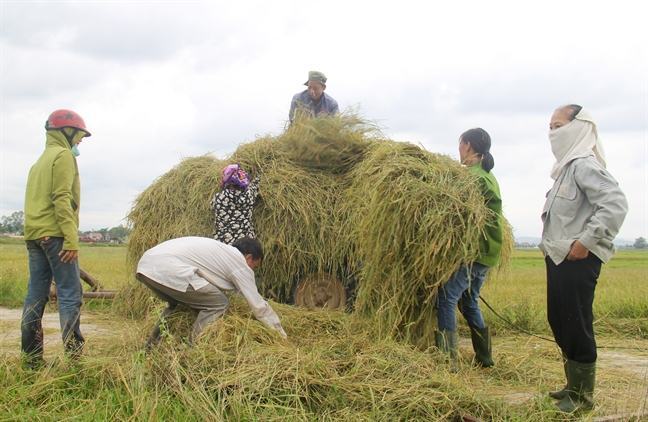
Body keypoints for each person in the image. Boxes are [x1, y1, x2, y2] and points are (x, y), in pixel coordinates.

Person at [541, 105, 627, 413]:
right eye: (550, 127)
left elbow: (615, 204)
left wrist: (585, 242)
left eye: (558, 125)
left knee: (576, 324)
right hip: (560, 256)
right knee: (560, 321)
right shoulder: (566, 169)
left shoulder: (584, 165)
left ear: (579, 127)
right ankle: (572, 387)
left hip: (577, 258)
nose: (552, 133)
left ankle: (582, 398)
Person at [21, 109, 92, 368]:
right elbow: (61, 197)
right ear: (66, 131)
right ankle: (74, 360)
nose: (81, 141)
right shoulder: (62, 156)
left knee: (35, 296)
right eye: (79, 135)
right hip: (57, 235)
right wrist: (71, 239)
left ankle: (31, 360)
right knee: (70, 294)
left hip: (34, 236)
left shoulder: (38, 162)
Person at [136, 236, 287, 348]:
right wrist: (279, 334)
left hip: (147, 265)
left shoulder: (221, 252)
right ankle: (192, 347)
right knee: (218, 303)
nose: (252, 270)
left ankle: (151, 345)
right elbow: (259, 306)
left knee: (177, 305)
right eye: (255, 266)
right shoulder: (239, 262)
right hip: (170, 268)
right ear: (248, 257)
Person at [435, 128, 503, 370]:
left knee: (446, 297)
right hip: (488, 249)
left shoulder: (472, 178)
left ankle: (448, 361)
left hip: (476, 250)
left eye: (460, 144)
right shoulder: (486, 175)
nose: (458, 149)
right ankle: (484, 358)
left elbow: (460, 216)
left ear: (468, 146)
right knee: (469, 301)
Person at [211, 164, 260, 245]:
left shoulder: (218, 198)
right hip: (245, 244)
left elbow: (212, 206)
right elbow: (255, 184)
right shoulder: (248, 196)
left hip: (224, 244)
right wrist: (257, 172)